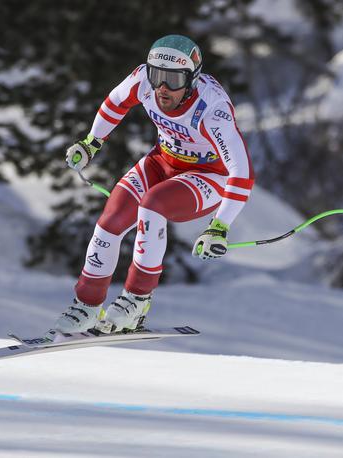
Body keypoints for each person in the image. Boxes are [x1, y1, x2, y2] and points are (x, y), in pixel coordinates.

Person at [55, 34, 254, 333]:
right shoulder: (143, 82)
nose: (162, 88)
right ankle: (87, 305)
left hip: (208, 175)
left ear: (192, 80)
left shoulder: (212, 110)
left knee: (152, 206)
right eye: (157, 75)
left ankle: (137, 300)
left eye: (173, 80)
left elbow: (241, 171)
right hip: (162, 161)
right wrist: (91, 143)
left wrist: (219, 226)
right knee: (111, 220)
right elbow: (114, 104)